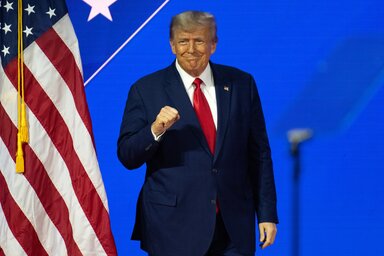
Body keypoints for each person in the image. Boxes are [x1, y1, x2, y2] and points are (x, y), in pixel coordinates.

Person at [117, 10, 278, 256]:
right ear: (172, 45)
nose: (190, 49)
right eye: (183, 41)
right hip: (172, 227)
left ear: (213, 44)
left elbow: (259, 154)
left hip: (232, 226)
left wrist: (266, 214)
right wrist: (155, 129)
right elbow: (128, 155)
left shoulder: (242, 84)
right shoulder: (145, 89)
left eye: (199, 41)